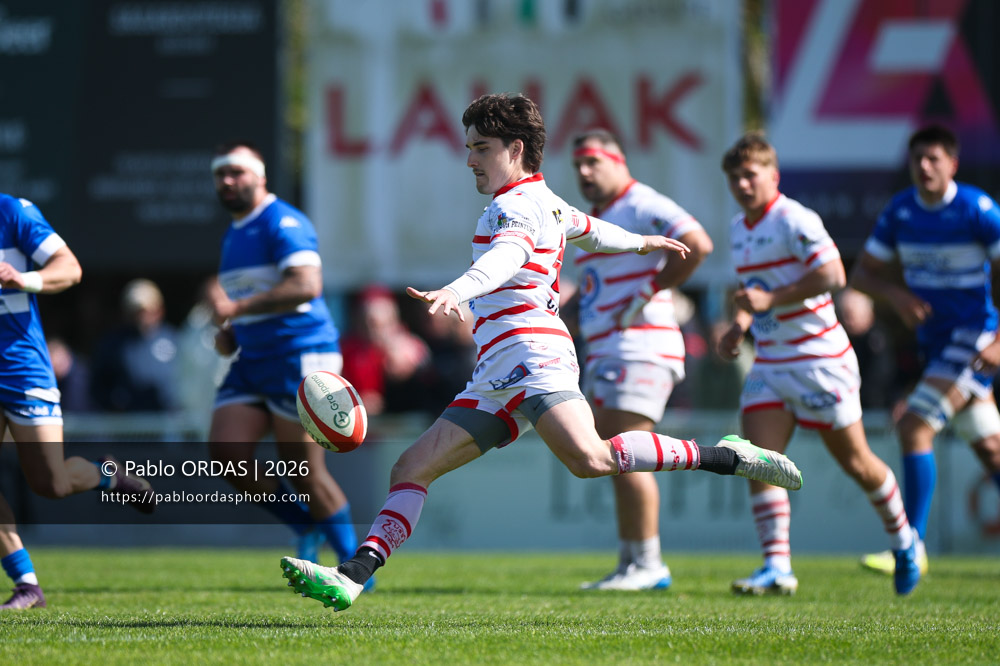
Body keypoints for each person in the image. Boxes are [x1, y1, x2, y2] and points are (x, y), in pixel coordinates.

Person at [279, 93, 803, 612]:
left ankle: (728, 456)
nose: (470, 160)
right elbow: (592, 232)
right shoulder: (546, 201)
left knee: (591, 459)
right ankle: (352, 577)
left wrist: (457, 290)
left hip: (533, 356)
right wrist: (642, 243)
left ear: (515, 148)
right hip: (496, 369)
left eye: (481, 148)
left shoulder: (514, 207)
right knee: (411, 468)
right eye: (468, 147)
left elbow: (508, 256)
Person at [716, 131, 921, 596]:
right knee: (756, 458)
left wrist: (771, 299)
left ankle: (905, 542)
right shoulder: (738, 228)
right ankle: (776, 567)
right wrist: (739, 325)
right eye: (734, 178)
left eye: (750, 175)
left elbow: (833, 274)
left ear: (773, 175)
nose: (742, 185)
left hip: (820, 360)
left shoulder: (795, 218)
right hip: (771, 362)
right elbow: (753, 291)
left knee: (857, 463)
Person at [206, 141, 366, 575]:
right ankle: (304, 524)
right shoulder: (235, 232)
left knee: (304, 472)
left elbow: (305, 286)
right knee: (226, 454)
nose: (227, 181)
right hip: (254, 357)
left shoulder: (283, 221)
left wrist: (237, 309)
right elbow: (253, 297)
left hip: (301, 354)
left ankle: (354, 570)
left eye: (237, 172)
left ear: (260, 177)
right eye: (220, 174)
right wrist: (234, 331)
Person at [850, 124, 1000, 576]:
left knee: (914, 427)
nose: (925, 166)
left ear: (952, 164)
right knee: (990, 449)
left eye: (934, 158)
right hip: (936, 346)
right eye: (918, 158)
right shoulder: (901, 212)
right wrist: (895, 295)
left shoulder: (976, 209)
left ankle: (911, 545)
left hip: (974, 338)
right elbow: (861, 275)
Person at [568, 128, 714, 591]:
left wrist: (649, 290)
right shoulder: (600, 218)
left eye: (593, 161)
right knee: (615, 453)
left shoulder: (639, 202)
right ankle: (632, 562)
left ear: (619, 161)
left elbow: (697, 243)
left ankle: (648, 563)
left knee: (626, 450)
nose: (584, 172)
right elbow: (593, 294)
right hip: (610, 349)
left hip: (639, 347)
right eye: (578, 165)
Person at [0, 193, 155, 610]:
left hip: (21, 367)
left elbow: (69, 268)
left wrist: (23, 279)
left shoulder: (12, 212)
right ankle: (27, 585)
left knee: (51, 484)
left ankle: (107, 475)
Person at [90, 278, 181, 412]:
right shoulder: (113, 344)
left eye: (145, 310)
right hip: (129, 421)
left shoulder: (175, 339)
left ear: (159, 310)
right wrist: (116, 403)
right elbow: (98, 386)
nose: (141, 316)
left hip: (168, 419)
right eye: (134, 311)